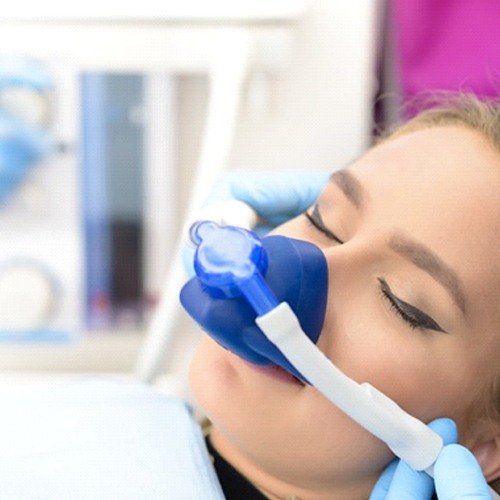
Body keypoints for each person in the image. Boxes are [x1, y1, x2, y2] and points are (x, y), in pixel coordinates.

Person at [185, 94, 500, 499]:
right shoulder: (110, 423)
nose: (297, 270)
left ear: (483, 448)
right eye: (323, 220)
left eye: (402, 304)